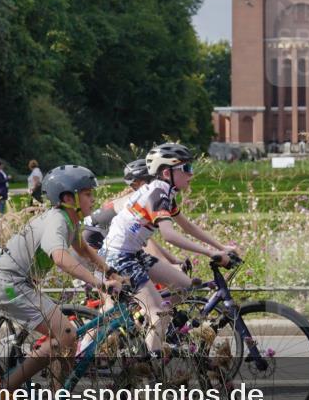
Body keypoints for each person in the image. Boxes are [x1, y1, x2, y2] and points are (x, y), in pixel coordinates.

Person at [0, 165, 122, 400]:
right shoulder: (57, 220)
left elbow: (82, 249)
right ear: (68, 198)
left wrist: (111, 272)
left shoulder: (70, 220)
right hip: (8, 285)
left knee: (67, 340)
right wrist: (99, 283)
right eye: (87, 194)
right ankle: (4, 389)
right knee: (66, 335)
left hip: (18, 283)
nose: (93, 199)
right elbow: (60, 257)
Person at [102, 143, 239, 357]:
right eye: (186, 168)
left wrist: (221, 247)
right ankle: (148, 368)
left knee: (184, 287)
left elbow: (187, 226)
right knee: (159, 313)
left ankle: (149, 328)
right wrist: (210, 253)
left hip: (133, 253)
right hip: (118, 256)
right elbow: (169, 235)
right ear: (167, 173)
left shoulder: (164, 192)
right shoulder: (157, 193)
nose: (191, 174)